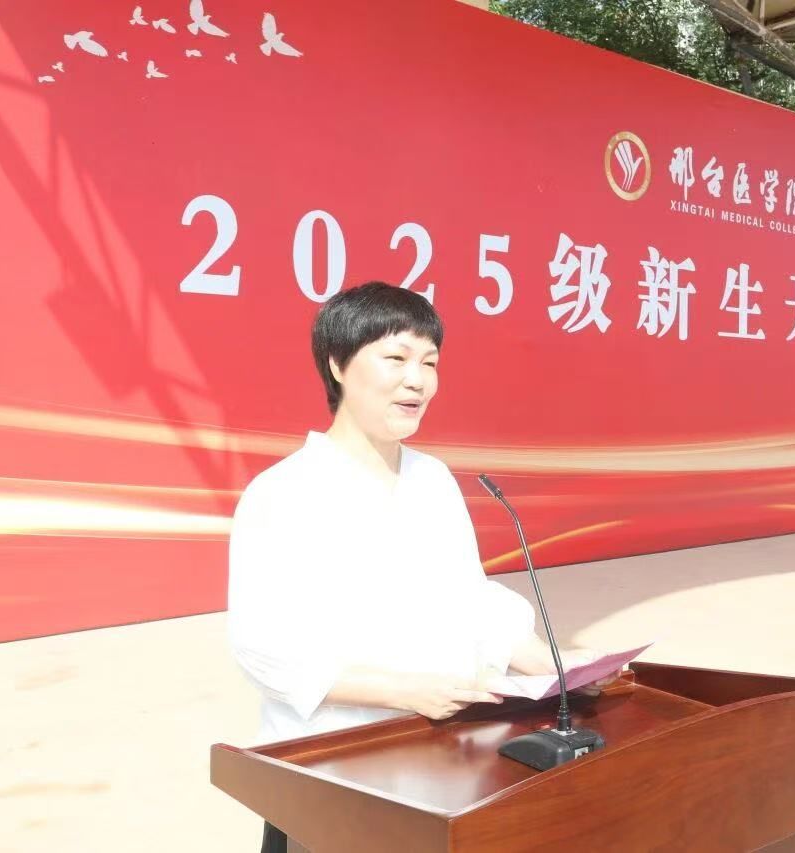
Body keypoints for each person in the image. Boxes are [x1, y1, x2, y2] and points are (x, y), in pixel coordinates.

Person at [227, 282, 613, 853]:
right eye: (396, 358)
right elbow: (264, 650)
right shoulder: (283, 493)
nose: (417, 380)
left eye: (430, 363)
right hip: (335, 774)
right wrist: (406, 692)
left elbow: (470, 599)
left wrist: (555, 668)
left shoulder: (433, 479)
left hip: (445, 761)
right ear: (337, 364)